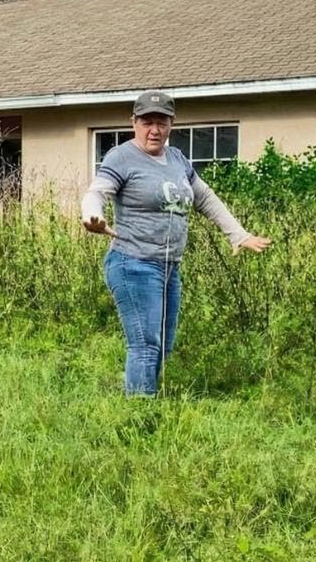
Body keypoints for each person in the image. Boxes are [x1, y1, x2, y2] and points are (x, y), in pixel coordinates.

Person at [82, 91, 272, 396]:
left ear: (172, 124)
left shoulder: (177, 159)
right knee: (145, 345)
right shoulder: (122, 157)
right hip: (133, 263)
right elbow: (97, 192)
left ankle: (140, 399)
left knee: (162, 347)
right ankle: (139, 413)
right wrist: (93, 217)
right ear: (134, 123)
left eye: (162, 122)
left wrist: (238, 234)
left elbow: (205, 197)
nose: (154, 130)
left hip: (169, 267)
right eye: (147, 122)